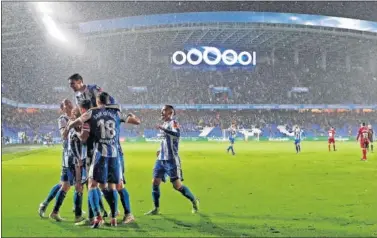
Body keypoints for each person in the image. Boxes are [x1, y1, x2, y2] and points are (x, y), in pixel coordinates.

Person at [66, 92, 139, 228]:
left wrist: (69, 127)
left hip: (100, 153)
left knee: (106, 185)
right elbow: (137, 121)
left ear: (98, 101)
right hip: (115, 153)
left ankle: (119, 214)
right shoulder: (116, 112)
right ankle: (112, 217)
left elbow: (81, 132)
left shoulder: (91, 113)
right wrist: (130, 115)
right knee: (110, 185)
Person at [144, 105, 199, 216]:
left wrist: (163, 129)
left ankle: (194, 200)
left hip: (171, 160)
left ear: (170, 112)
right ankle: (156, 208)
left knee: (177, 186)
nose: (161, 113)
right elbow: (165, 140)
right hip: (161, 159)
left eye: (163, 111)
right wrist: (159, 149)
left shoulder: (173, 123)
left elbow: (177, 134)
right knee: (155, 182)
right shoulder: (165, 124)